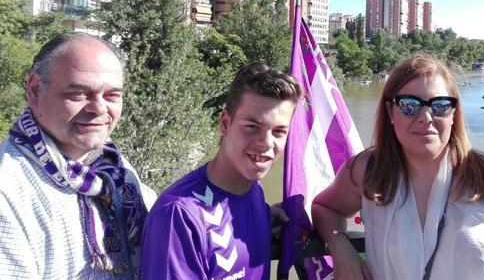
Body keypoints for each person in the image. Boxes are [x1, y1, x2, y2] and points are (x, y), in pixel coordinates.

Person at [312, 53, 484, 280]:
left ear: (454, 113)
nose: (425, 117)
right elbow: (325, 208)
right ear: (390, 111)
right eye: (409, 105)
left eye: (439, 105)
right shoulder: (368, 171)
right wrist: (340, 246)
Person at [0, 32, 156, 279]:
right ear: (34, 90)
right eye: (78, 94)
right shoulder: (9, 192)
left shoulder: (111, 168)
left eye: (112, 95)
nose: (99, 108)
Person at [140, 62, 303, 280]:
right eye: (252, 127)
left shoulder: (254, 190)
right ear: (225, 123)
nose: (266, 143)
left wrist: (264, 217)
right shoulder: (178, 217)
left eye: (279, 131)